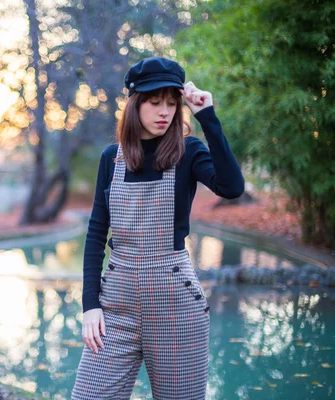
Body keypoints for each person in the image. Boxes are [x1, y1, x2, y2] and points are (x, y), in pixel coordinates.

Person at [71, 56, 245, 400]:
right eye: (155, 102)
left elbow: (232, 187)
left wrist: (207, 116)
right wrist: (90, 304)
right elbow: (95, 234)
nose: (164, 111)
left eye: (171, 103)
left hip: (176, 307)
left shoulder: (188, 152)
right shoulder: (112, 158)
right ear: (136, 105)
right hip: (115, 307)